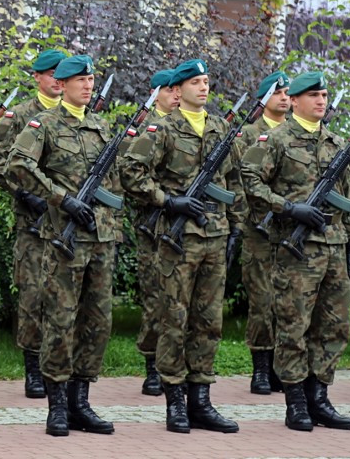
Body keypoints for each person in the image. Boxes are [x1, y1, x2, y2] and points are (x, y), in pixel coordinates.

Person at [119, 58, 245, 434]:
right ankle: (175, 401)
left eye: (207, 81)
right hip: (177, 239)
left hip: (214, 234)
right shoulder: (162, 129)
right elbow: (131, 172)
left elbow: (235, 180)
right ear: (178, 89)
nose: (203, 88)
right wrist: (167, 200)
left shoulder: (221, 128)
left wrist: (236, 225)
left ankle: (201, 401)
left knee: (208, 322)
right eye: (195, 82)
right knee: (174, 319)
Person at [6, 54, 122, 437]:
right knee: (60, 320)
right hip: (63, 241)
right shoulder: (44, 125)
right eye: (81, 79)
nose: (88, 85)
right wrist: (60, 198)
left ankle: (81, 403)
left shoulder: (102, 126)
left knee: (97, 322)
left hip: (101, 238)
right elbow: (17, 166)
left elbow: (116, 182)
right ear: (64, 84)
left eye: (91, 79)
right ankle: (57, 406)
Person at [240, 71, 350, 432]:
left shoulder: (337, 143)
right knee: (293, 326)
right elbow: (250, 178)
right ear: (295, 100)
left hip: (334, 248)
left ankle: (318, 398)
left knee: (334, 326)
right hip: (295, 251)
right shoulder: (275, 140)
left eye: (324, 95)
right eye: (314, 95)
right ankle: (295, 404)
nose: (321, 100)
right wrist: (289, 208)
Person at [0, 48, 65, 398]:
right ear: (38, 78)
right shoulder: (20, 116)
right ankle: (33, 368)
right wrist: (22, 194)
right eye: (52, 75)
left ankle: (61, 367)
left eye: (65, 74)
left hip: (67, 220)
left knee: (65, 296)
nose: (59, 81)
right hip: (34, 220)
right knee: (33, 294)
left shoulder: (76, 117)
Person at [121, 69, 180, 396]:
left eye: (177, 89)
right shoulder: (140, 131)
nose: (175, 95)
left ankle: (178, 363)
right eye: (168, 90)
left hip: (185, 228)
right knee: (156, 297)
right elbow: (126, 178)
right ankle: (152, 365)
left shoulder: (189, 128)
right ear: (156, 92)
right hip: (151, 226)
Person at [236, 71, 291, 395]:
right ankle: (260, 368)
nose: (284, 97)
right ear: (264, 98)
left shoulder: (295, 135)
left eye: (287, 92)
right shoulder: (249, 135)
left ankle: (282, 368)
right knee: (262, 301)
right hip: (259, 230)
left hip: (289, 231)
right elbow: (242, 181)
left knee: (288, 301)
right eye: (278, 92)